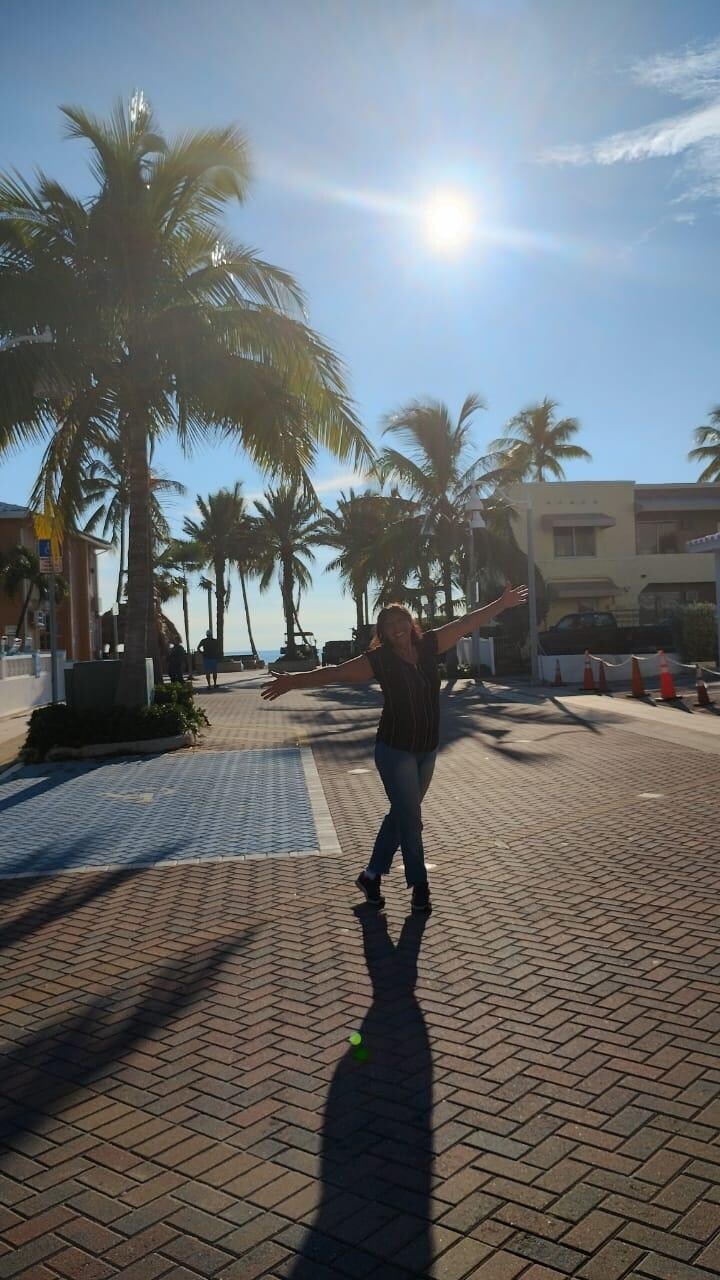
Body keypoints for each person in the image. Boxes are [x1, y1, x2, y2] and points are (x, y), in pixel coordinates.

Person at [261, 582, 529, 914]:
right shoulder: (380, 660)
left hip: (427, 748)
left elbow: (465, 623)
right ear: (383, 633)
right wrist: (293, 681)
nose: (397, 629)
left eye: (400, 621)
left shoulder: (430, 644)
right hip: (395, 749)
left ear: (410, 622)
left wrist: (501, 603)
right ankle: (420, 888)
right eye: (389, 626)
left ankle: (371, 875)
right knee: (411, 820)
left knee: (401, 815)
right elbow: (336, 673)